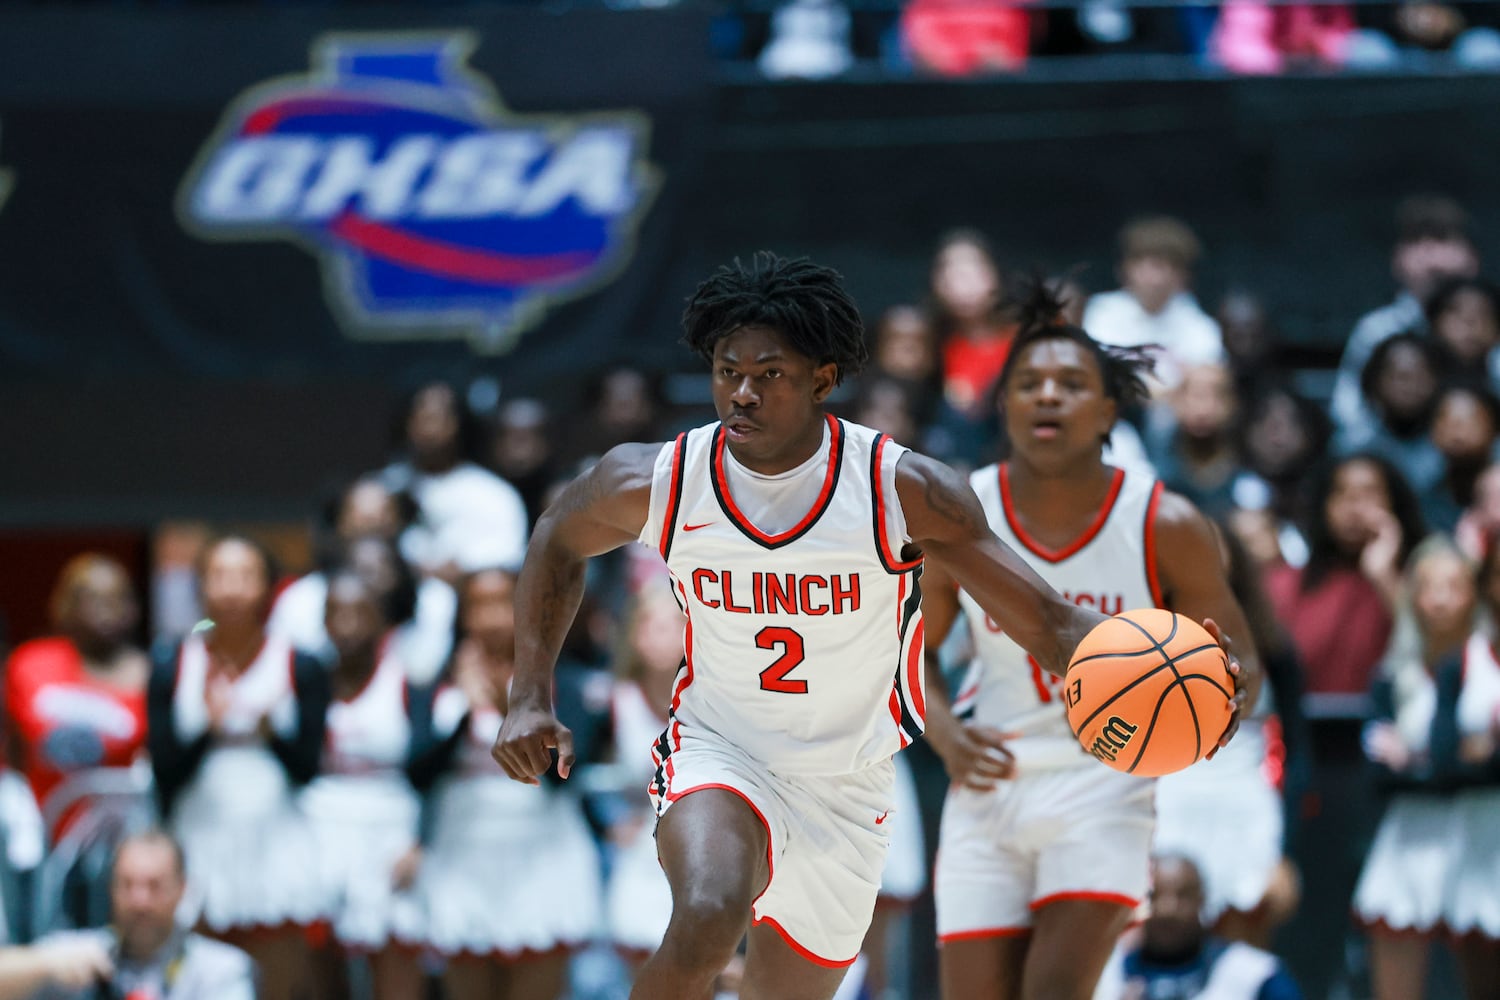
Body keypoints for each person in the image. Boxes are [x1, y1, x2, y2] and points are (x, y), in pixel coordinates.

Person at [491, 253, 1248, 1000]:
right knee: (707, 914)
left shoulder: (903, 489)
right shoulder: (660, 477)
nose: (743, 395)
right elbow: (558, 533)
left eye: (770, 374)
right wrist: (530, 692)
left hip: (849, 784)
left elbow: (1051, 625)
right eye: (728, 372)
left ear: (823, 379)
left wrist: (1191, 688)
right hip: (721, 749)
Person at [920, 285, 1261, 1000]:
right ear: (1003, 403)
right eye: (1029, 384)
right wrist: (946, 732)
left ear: (1109, 411)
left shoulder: (1164, 522)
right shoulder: (958, 514)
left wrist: (1223, 697)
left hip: (1107, 782)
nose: (1048, 396)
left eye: (1072, 385)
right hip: (990, 780)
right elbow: (905, 651)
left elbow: (1245, 662)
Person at [407, 566, 602, 1000]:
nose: (493, 617)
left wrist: (500, 705)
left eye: (504, 602)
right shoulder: (437, 681)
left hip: (541, 849)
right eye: (479, 605)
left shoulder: (561, 678)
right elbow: (416, 771)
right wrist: (464, 715)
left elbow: (566, 778)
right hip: (461, 850)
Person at [146, 536, 328, 1000]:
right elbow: (164, 769)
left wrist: (269, 732)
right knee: (198, 980)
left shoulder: (300, 662)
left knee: (278, 981)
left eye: (245, 577)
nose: (231, 590)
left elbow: (309, 767)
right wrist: (208, 727)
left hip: (274, 839)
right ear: (200, 586)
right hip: (199, 836)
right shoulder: (172, 660)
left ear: (268, 587)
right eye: (219, 576)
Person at [1352, 537, 1477, 1000]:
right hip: (1408, 835)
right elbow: (1377, 770)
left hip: (1479, 832)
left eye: (1454, 585)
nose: (1440, 599)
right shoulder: (1391, 673)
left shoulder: (1487, 666)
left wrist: (1420, 761)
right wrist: (1460, 757)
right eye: (1427, 586)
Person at [301, 566, 424, 1000]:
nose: (348, 625)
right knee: (320, 966)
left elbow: (428, 768)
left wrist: (421, 840)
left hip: (391, 831)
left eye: (360, 613)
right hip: (319, 830)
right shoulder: (306, 682)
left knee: (395, 955)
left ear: (381, 620)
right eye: (336, 613)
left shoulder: (408, 681)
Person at [4, 556, 148, 834]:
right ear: (64, 605)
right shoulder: (32, 662)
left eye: (117, 599)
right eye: (91, 599)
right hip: (39, 824)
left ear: (134, 608)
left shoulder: (151, 676)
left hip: (124, 830)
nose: (106, 611)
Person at [268, 476, 457, 684]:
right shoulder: (300, 599)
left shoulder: (435, 599)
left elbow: (424, 674)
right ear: (338, 524)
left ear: (401, 524)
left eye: (383, 515)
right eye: (360, 518)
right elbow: (286, 674)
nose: (372, 525)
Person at [29, 830, 256, 1000]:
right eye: (127, 885)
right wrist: (44, 966)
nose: (139, 902)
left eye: (154, 886)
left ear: (182, 889)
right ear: (111, 889)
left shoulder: (221, 970)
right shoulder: (77, 953)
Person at [1329, 194, 1480, 435]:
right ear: (1397, 259)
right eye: (1417, 240)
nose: (1431, 256)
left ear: (1472, 258)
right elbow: (1348, 412)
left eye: (1443, 239)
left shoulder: (1492, 330)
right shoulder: (1376, 331)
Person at [1093, 853, 1304, 1000]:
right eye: (1155, 896)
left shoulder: (1254, 975)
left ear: (1203, 900)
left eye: (1183, 896)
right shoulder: (1103, 974)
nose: (1168, 909)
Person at [381, 380, 530, 585]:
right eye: (421, 418)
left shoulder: (493, 494)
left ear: (459, 423)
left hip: (470, 609)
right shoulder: (385, 488)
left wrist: (464, 567)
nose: (429, 429)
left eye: (438, 419)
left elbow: (510, 556)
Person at [1082, 216, 1224, 397]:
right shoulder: (1103, 311)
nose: (1156, 279)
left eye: (1167, 266)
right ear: (1125, 268)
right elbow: (1103, 374)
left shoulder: (1199, 323)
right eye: (1146, 265)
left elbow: (1208, 382)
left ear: (1184, 275)